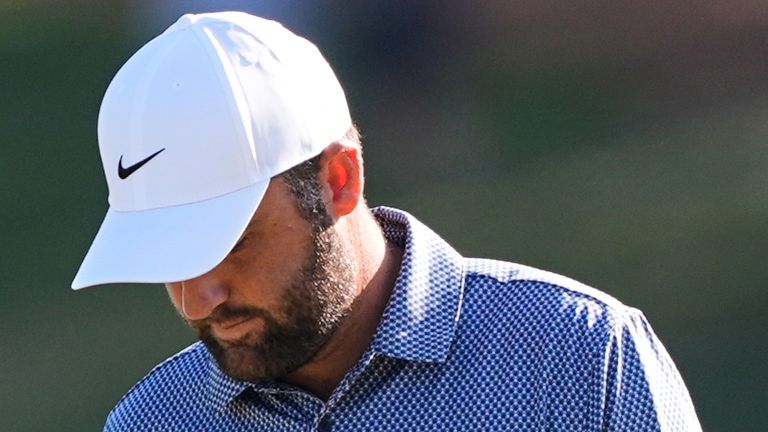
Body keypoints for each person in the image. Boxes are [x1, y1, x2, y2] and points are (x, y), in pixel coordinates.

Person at [72, 11, 702, 431]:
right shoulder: (153, 421)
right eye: (167, 259)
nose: (197, 297)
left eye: (230, 244)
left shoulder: (581, 358)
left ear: (338, 180)